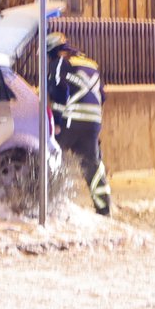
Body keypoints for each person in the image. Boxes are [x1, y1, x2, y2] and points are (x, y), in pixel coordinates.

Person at [46, 30, 112, 217]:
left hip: (70, 121)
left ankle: (48, 202)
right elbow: (102, 95)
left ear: (51, 51)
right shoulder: (90, 64)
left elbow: (59, 90)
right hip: (93, 124)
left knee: (52, 157)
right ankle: (104, 208)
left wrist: (57, 122)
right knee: (92, 164)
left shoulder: (59, 63)